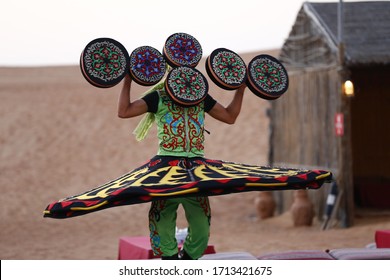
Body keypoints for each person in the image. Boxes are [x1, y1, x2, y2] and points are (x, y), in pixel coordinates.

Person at [117, 73, 246, 260]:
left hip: (196, 171)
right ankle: (169, 263)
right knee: (162, 221)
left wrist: (240, 89)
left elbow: (229, 116)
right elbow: (124, 111)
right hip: (165, 170)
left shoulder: (200, 96)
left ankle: (187, 262)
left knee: (201, 225)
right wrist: (128, 80)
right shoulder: (158, 96)